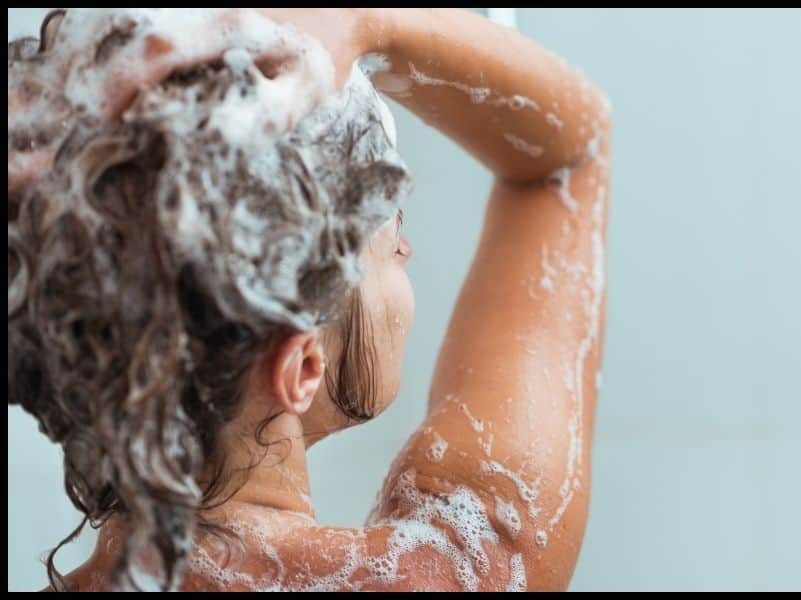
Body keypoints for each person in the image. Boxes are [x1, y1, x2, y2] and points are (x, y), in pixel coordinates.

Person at [7, 8, 611, 592]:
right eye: (388, 239)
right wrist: (368, 21)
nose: (407, 253)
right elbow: (566, 157)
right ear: (300, 367)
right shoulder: (460, 573)